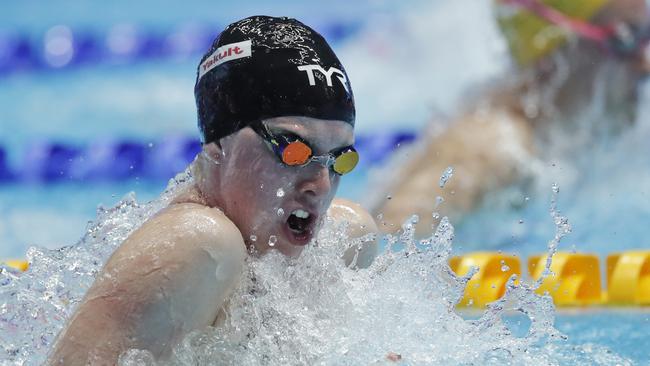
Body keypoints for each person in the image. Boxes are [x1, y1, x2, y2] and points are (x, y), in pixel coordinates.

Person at [47, 16, 378, 364]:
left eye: (339, 159)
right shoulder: (199, 245)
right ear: (218, 145)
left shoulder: (340, 243)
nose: (321, 186)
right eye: (293, 150)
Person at [373, 0, 650, 237]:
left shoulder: (559, 137)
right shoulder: (490, 146)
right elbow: (388, 247)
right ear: (550, 55)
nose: (645, 63)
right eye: (627, 40)